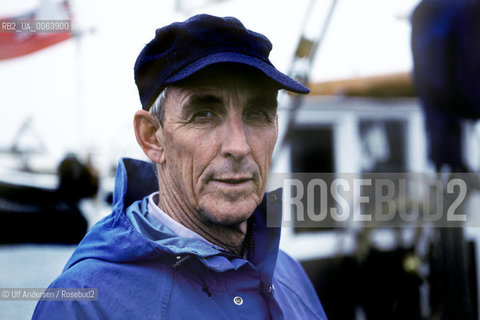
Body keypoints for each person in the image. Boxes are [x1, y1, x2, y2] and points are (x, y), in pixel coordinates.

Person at [33, 14, 327, 319]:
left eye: (258, 113)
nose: (239, 146)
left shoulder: (290, 274)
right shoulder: (83, 304)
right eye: (204, 114)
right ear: (152, 138)